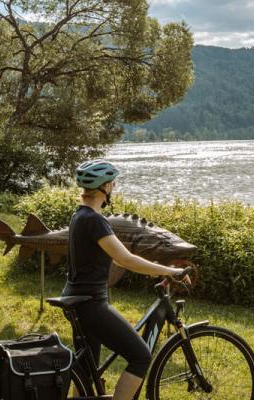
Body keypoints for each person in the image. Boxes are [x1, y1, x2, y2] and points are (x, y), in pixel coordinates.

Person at [64, 159, 186, 400]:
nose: (114, 187)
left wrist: (152, 269)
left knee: (86, 373)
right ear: (105, 187)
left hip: (76, 300)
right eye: (112, 183)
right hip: (91, 305)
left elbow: (117, 260)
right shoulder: (95, 221)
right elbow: (127, 259)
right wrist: (169, 271)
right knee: (140, 356)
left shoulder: (79, 216)